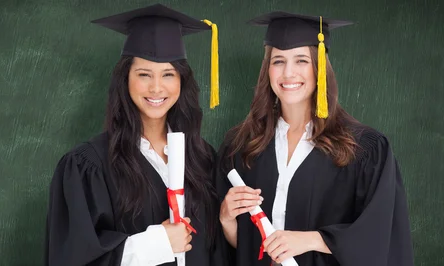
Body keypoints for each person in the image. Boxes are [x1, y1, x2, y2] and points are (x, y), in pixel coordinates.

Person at [216, 11, 414, 266]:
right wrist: (226, 219)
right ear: (267, 70)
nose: (288, 73)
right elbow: (240, 250)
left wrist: (312, 240)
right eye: (278, 61)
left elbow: (380, 237)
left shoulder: (363, 148)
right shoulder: (242, 146)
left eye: (301, 60)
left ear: (319, 67)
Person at [45, 4, 224, 266]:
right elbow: (72, 257)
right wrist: (158, 244)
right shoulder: (89, 165)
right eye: (143, 74)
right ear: (125, 79)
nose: (156, 87)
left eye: (168, 74)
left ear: (181, 82)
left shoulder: (203, 159)